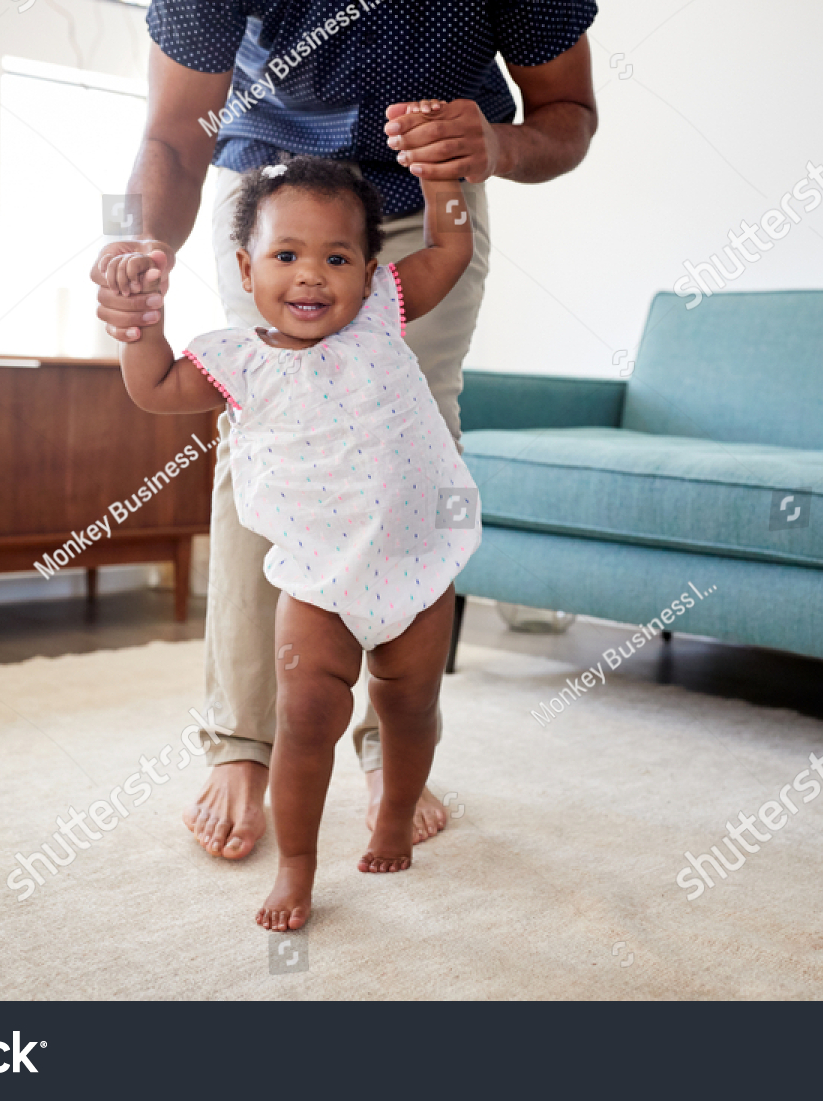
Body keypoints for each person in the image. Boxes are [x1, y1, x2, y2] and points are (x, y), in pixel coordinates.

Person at [92, 1, 598, 861]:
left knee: (415, 432)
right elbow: (178, 135)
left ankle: (389, 738)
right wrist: (140, 262)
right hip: (271, 204)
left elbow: (569, 113)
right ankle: (247, 741)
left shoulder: (398, 272)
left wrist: (489, 150)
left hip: (422, 203)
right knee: (266, 439)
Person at [116, 140, 478, 930]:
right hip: (316, 579)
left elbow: (451, 244)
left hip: (414, 566)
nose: (311, 274)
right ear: (246, 272)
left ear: (369, 270)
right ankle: (299, 866)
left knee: (410, 705)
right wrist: (138, 322)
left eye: (337, 257)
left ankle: (393, 811)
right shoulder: (238, 362)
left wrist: (442, 179)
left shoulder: (385, 312)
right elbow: (150, 386)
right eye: (286, 254)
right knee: (307, 715)